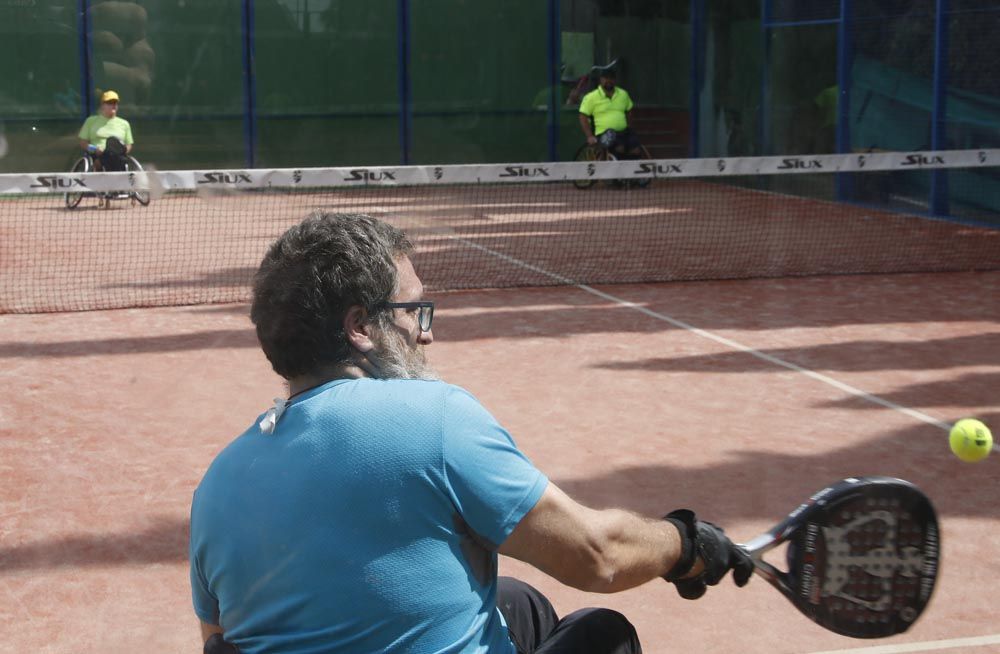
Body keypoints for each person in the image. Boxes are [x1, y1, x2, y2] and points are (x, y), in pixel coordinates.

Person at [189, 212, 753, 654]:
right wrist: (686, 544)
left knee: (520, 603)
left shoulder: (217, 481)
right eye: (414, 311)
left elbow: (217, 640)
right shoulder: (431, 418)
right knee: (605, 632)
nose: (425, 335)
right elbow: (597, 556)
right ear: (361, 327)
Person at [578, 68, 643, 159]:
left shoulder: (623, 94)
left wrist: (628, 125)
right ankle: (618, 171)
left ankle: (631, 171)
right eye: (605, 78)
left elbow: (629, 112)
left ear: (615, 80)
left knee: (636, 150)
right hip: (605, 134)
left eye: (611, 78)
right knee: (620, 147)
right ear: (601, 80)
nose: (608, 81)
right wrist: (589, 136)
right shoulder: (591, 97)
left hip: (624, 132)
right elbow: (583, 116)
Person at [78, 90, 134, 172]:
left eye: (115, 103)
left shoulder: (124, 123)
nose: (113, 105)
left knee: (113, 148)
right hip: (97, 154)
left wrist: (123, 151)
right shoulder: (91, 121)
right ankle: (102, 161)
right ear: (102, 105)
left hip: (118, 156)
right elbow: (83, 143)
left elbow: (129, 144)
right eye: (110, 103)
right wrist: (95, 149)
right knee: (110, 152)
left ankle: (101, 162)